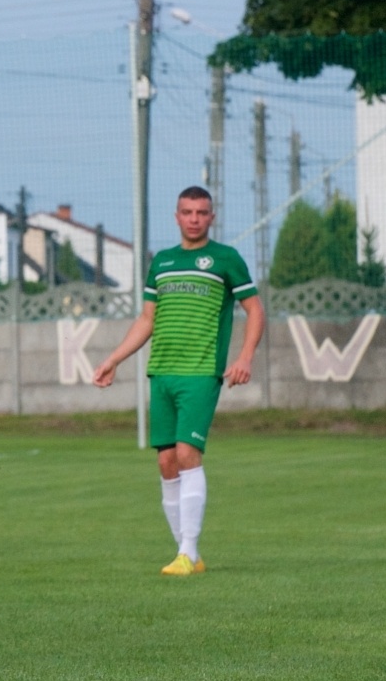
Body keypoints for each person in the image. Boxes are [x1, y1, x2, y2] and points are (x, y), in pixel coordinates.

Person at [92, 186, 264, 576]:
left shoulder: (225, 259)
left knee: (188, 454)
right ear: (176, 216)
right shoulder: (163, 263)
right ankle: (187, 553)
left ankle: (187, 552)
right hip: (162, 372)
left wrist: (244, 358)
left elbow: (255, 310)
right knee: (167, 462)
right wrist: (114, 359)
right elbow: (147, 320)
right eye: (187, 212)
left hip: (201, 372)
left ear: (212, 216)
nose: (194, 218)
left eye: (201, 212)